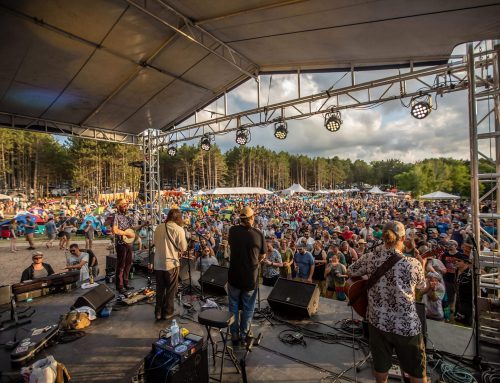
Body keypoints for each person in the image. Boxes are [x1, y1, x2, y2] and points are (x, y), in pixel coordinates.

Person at [348, 221, 427, 383]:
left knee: (380, 367)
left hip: (377, 322)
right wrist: (423, 265)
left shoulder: (370, 257)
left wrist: (366, 278)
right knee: (417, 373)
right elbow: (422, 286)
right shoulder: (413, 264)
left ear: (383, 237)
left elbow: (351, 270)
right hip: (406, 326)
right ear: (403, 238)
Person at [227, 206, 265, 346]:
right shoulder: (258, 234)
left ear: (240, 218)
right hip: (250, 277)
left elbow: (233, 246)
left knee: (233, 305)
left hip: (234, 275)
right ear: (252, 218)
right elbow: (263, 255)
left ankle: (234, 334)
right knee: (248, 308)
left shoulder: (232, 231)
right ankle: (244, 335)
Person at [153, 208, 187, 320]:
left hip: (158, 262)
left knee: (160, 288)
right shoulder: (179, 229)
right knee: (171, 289)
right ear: (178, 218)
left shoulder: (158, 227)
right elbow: (183, 247)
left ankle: (158, 312)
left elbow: (155, 243)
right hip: (171, 263)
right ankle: (168, 312)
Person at [112, 199, 142, 294]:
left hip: (129, 243)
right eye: (124, 205)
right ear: (118, 206)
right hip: (121, 244)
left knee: (128, 264)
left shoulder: (128, 216)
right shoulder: (116, 216)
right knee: (121, 265)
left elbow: (133, 228)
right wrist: (126, 233)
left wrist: (144, 224)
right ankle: (119, 286)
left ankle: (126, 282)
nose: (126, 207)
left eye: (126, 205)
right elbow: (115, 230)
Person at [454, 251, 473, 326]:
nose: (456, 262)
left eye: (459, 261)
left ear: (466, 263)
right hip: (459, 302)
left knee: (464, 325)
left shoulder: (470, 275)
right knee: (457, 323)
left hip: (467, 304)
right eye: (456, 260)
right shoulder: (456, 271)